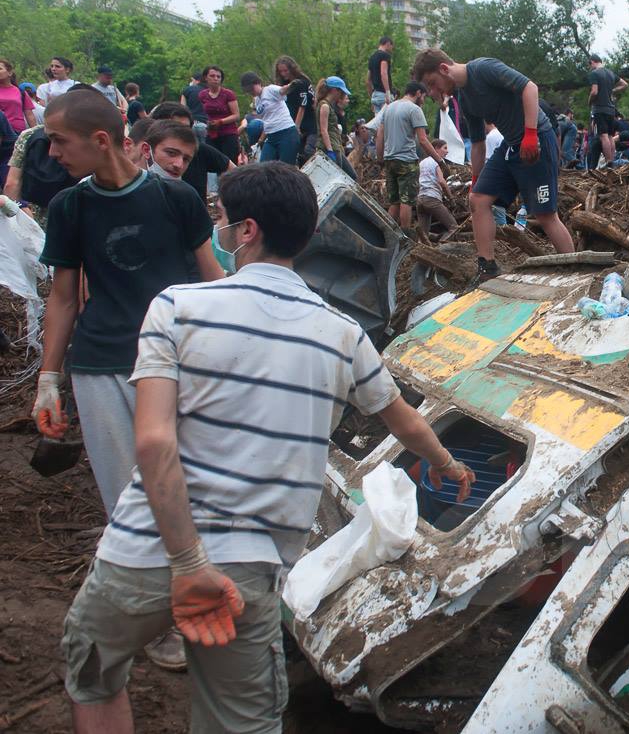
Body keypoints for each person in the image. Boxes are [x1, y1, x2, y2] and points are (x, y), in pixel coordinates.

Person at [59, 159, 474, 734]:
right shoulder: (342, 333)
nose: (220, 231)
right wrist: (449, 465)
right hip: (249, 566)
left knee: (93, 675)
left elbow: (154, 443)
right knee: (241, 722)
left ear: (246, 231)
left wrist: (188, 563)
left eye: (223, 220)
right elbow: (405, 423)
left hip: (144, 550)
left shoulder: (177, 307)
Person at [33, 88, 222, 521]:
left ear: (100, 140)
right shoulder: (70, 207)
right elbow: (63, 300)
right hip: (101, 365)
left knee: (191, 487)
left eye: (60, 140)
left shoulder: (176, 199)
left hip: (176, 359)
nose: (53, 152)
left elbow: (213, 280)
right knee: (126, 502)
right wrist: (48, 381)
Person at [412, 48, 576, 281]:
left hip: (536, 138)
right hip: (510, 145)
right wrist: (477, 179)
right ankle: (487, 268)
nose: (431, 92)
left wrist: (530, 134)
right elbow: (478, 144)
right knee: (477, 200)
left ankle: (576, 269)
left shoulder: (483, 68)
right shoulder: (463, 98)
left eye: (432, 83)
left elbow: (529, 88)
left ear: (444, 69)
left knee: (545, 215)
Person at [377, 81, 442, 229]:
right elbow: (423, 140)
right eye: (424, 96)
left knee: (394, 202)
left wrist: (380, 159)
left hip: (389, 160)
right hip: (406, 161)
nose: (423, 100)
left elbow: (380, 134)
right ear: (418, 93)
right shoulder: (414, 109)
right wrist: (439, 160)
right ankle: (406, 235)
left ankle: (385, 233)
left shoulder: (389, 108)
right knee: (407, 201)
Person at [149, 103, 235, 202]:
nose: (179, 164)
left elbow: (237, 174)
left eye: (186, 129)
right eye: (174, 128)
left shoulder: (200, 150)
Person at [240, 72, 301, 165]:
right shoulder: (257, 100)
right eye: (248, 91)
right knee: (264, 166)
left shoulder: (270, 89)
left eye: (251, 88)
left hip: (286, 132)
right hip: (271, 136)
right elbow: (267, 120)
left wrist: (290, 85)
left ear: (258, 82)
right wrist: (260, 140)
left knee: (285, 168)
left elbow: (282, 91)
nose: (251, 92)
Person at [276, 56, 316, 164]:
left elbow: (302, 106)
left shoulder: (301, 82)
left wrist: (296, 127)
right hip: (293, 120)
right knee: (299, 155)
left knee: (308, 151)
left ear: (291, 69)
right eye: (281, 71)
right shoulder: (284, 86)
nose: (283, 74)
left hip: (308, 122)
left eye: (285, 70)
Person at [587, 55, 626, 165]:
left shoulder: (594, 74)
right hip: (611, 109)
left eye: (590, 65)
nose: (590, 68)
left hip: (600, 108)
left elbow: (594, 91)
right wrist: (613, 90)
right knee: (610, 136)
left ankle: (609, 162)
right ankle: (612, 160)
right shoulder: (610, 73)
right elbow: (624, 84)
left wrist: (589, 101)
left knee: (603, 135)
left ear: (592, 62)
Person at [198, 66, 240, 164]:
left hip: (229, 133)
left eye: (218, 76)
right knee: (212, 162)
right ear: (205, 78)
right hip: (212, 133)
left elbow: (236, 115)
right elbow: (206, 112)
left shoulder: (228, 94)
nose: (216, 79)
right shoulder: (202, 95)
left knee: (229, 162)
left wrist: (220, 121)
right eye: (212, 76)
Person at [417, 138, 458, 239]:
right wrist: (451, 198)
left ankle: (421, 251)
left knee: (423, 236)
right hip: (432, 199)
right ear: (435, 149)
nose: (447, 151)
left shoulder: (421, 163)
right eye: (445, 148)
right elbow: (441, 181)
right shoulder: (437, 162)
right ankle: (441, 247)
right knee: (454, 227)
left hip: (420, 200)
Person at [316, 76, 356, 178]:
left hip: (336, 146)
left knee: (351, 176)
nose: (342, 95)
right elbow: (324, 130)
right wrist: (330, 150)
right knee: (337, 178)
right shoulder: (324, 106)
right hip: (330, 147)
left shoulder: (329, 106)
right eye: (341, 91)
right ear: (334, 90)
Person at [0, 59, 36, 132]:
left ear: (10, 72)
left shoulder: (20, 91)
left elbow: (29, 114)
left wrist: (35, 132)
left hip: (17, 131)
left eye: (0, 69)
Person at [179, 71, 210, 141]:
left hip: (190, 124)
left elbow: (182, 108)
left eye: (192, 80)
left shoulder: (187, 90)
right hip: (205, 124)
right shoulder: (210, 91)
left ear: (196, 80)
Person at [369, 36, 395, 114]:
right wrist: (388, 92)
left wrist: (371, 95)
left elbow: (368, 80)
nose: (391, 49)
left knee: (377, 123)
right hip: (383, 94)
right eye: (391, 46)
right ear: (387, 44)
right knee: (386, 122)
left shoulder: (372, 57)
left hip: (375, 94)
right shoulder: (385, 55)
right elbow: (383, 73)